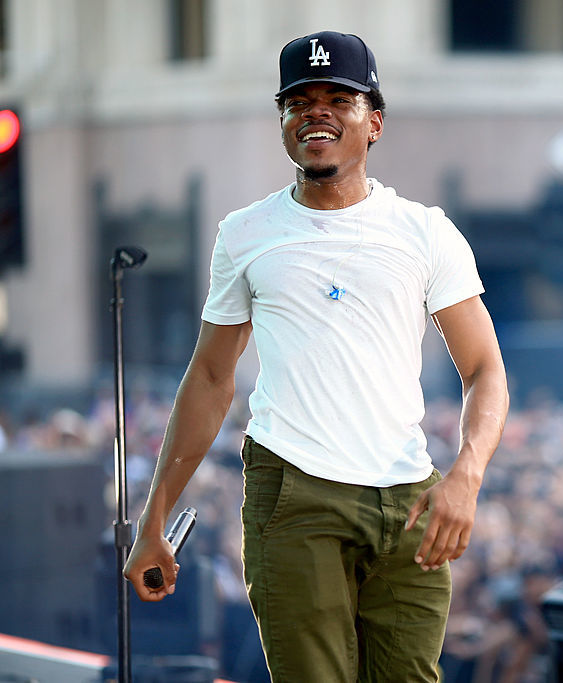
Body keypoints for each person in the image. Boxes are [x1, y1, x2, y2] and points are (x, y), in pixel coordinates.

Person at [123, 31, 509, 682]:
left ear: (374, 122)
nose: (316, 113)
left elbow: (484, 370)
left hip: (408, 498)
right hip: (293, 493)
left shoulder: (425, 231)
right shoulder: (244, 233)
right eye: (298, 102)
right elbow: (211, 378)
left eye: (338, 99)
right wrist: (154, 517)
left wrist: (466, 476)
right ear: (282, 121)